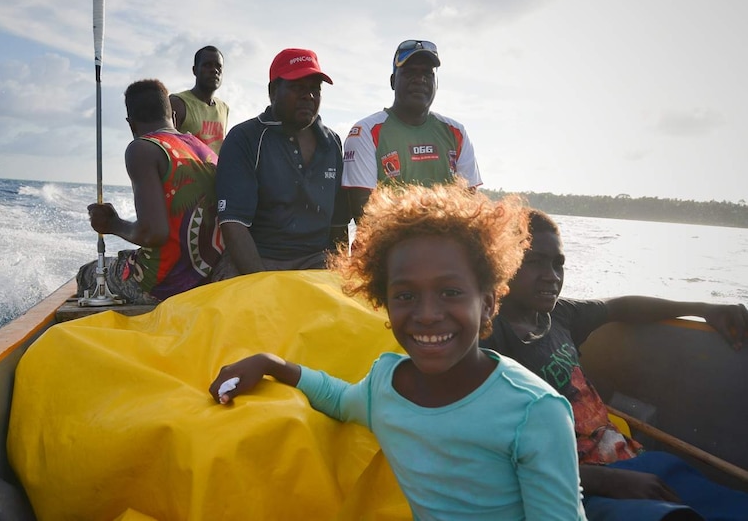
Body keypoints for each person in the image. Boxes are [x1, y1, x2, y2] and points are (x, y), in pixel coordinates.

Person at [209, 183, 587, 520]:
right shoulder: (387, 385)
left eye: (450, 292)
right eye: (405, 296)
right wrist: (269, 363)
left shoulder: (535, 413)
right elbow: (339, 399)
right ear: (383, 302)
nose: (426, 315)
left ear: (488, 303)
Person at [482, 209, 748, 521]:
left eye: (558, 264)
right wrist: (604, 480)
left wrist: (702, 307)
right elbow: (494, 455)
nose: (552, 275)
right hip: (573, 486)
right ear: (499, 263)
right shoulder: (488, 341)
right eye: (534, 261)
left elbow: (620, 306)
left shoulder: (561, 315)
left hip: (626, 458)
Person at [76, 79, 223, 304]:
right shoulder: (205, 151)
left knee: (86, 274)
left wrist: (112, 225)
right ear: (173, 116)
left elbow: (153, 233)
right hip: (207, 278)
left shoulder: (143, 148)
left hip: (163, 284)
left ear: (131, 124)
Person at [212, 48, 350, 281]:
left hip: (316, 261)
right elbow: (233, 224)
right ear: (273, 91)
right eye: (297, 87)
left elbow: (339, 224)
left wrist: (341, 278)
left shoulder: (332, 143)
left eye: (314, 89)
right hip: (258, 260)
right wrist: (265, 285)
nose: (309, 96)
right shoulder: (246, 138)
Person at [342, 39, 482, 222]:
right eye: (409, 73)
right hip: (384, 249)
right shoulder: (365, 132)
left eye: (427, 73)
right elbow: (365, 214)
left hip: (444, 246)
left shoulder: (457, 132)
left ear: (436, 83)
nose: (420, 79)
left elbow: (469, 208)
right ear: (393, 81)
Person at [169, 45, 229, 154]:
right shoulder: (178, 103)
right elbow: (165, 145)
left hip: (216, 171)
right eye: (207, 65)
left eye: (218, 66)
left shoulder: (223, 108)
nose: (214, 70)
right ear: (195, 70)